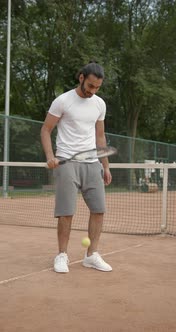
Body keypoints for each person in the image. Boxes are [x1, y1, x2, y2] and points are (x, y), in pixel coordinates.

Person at [41, 62, 112, 273]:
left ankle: (91, 255)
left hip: (92, 163)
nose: (93, 91)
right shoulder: (62, 101)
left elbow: (100, 137)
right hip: (66, 162)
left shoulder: (99, 104)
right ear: (81, 78)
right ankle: (61, 255)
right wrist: (50, 156)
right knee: (66, 212)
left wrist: (105, 166)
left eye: (97, 87)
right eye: (90, 86)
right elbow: (46, 130)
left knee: (98, 210)